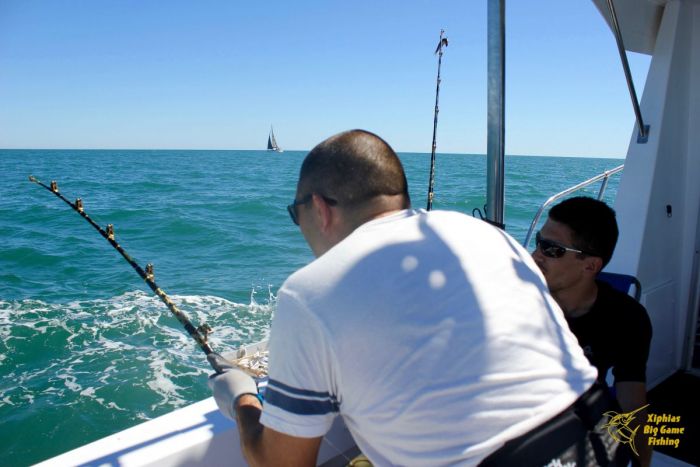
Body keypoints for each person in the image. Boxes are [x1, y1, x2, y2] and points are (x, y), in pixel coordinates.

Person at [209, 129, 600, 466]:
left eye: (297, 214)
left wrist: (241, 399)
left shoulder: (307, 292)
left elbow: (284, 463)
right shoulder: (492, 236)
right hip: (608, 436)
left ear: (319, 209)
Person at [532, 196, 653, 466]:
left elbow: (632, 404)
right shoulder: (518, 300)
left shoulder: (627, 318)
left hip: (581, 413)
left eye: (552, 249)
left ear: (590, 266)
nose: (536, 254)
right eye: (539, 242)